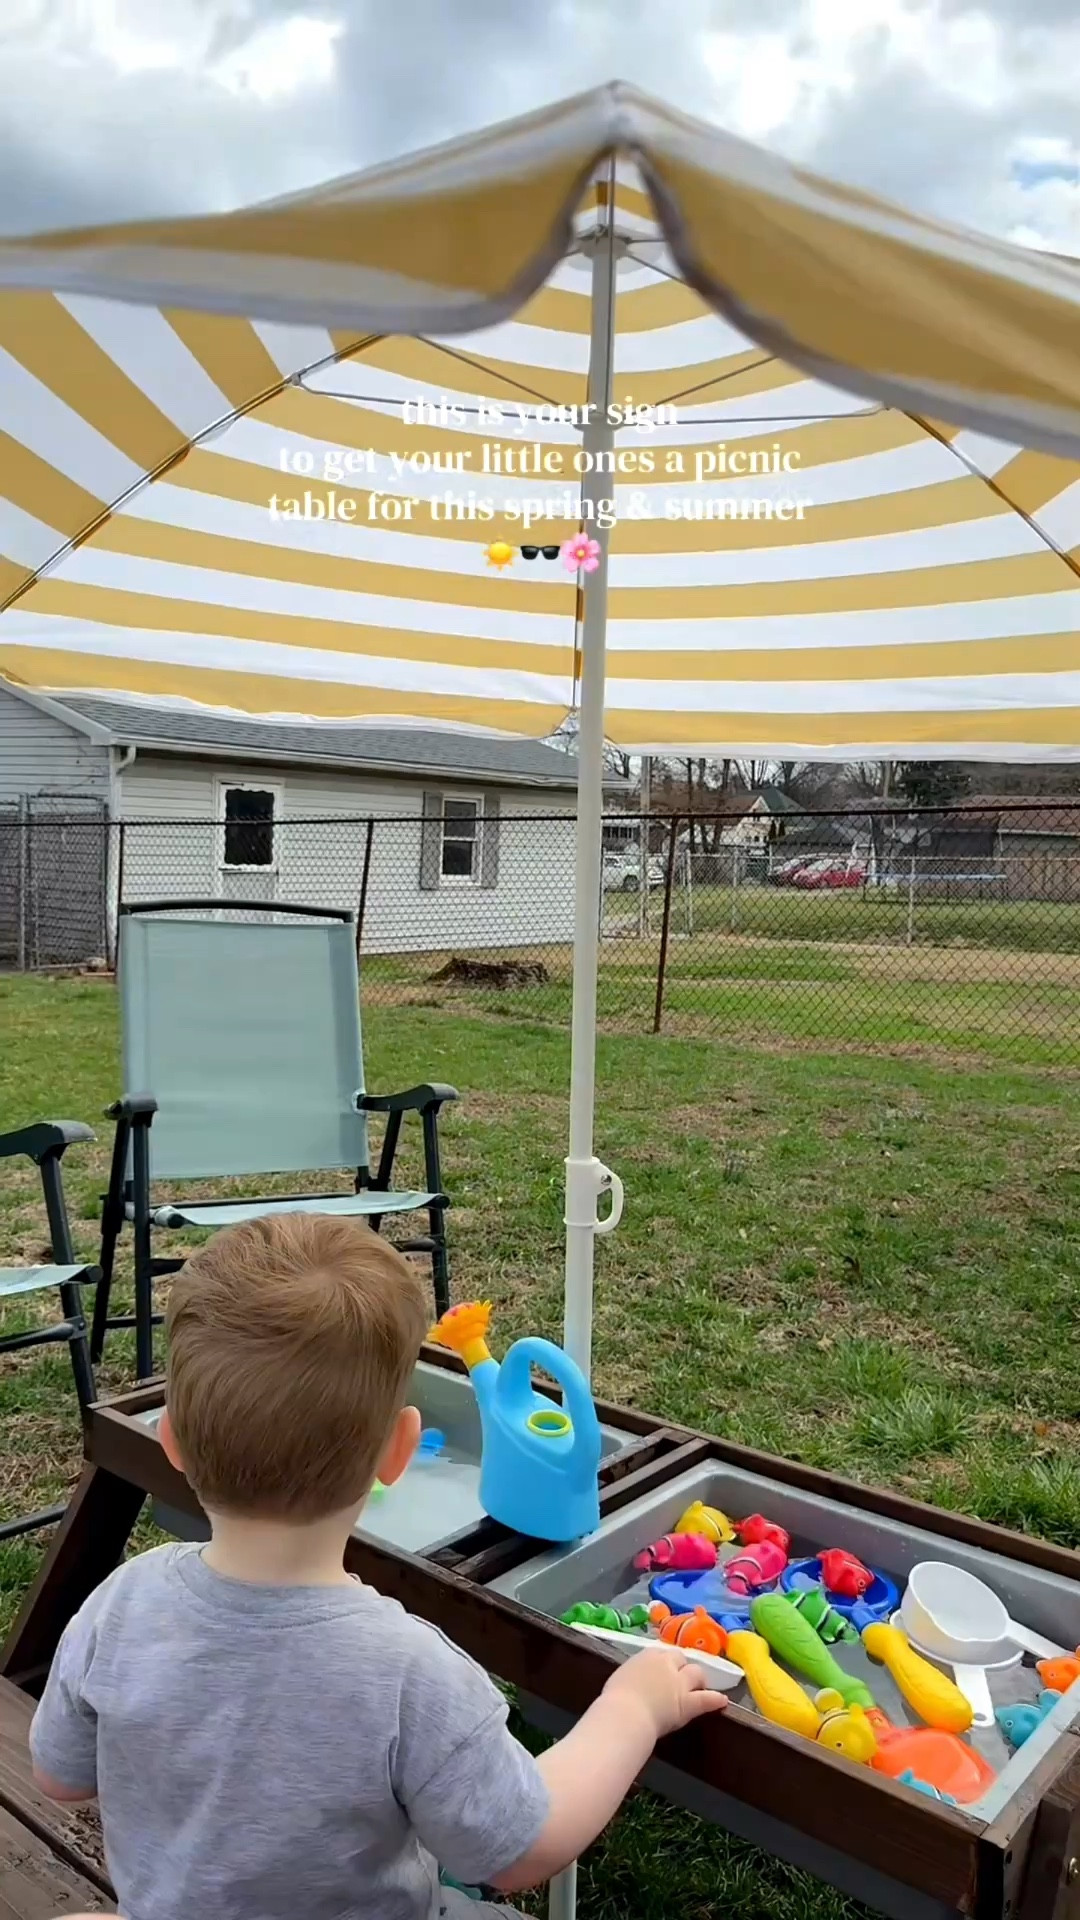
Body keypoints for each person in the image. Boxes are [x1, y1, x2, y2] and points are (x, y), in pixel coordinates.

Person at [30, 1215, 725, 1920]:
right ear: (399, 1451)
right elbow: (522, 1849)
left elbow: (58, 1777)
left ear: (172, 1439)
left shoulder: (121, 1603)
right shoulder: (409, 1671)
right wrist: (630, 1709)